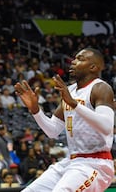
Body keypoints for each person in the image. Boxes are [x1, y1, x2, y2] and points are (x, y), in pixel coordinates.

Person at [14, 48, 115, 191]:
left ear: (93, 67)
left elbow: (106, 126)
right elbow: (53, 131)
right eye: (74, 58)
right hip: (72, 161)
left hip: (96, 163)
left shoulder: (101, 88)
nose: (73, 62)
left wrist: (74, 104)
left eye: (80, 59)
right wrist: (35, 110)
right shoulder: (71, 90)